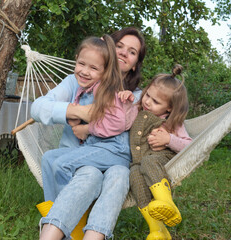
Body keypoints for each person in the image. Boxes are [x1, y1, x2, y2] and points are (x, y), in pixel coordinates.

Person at [31, 27, 146, 240]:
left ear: (135, 64)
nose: (122, 53)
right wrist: (75, 111)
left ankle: (73, 231)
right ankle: (61, 222)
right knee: (64, 164)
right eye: (118, 46)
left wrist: (88, 127)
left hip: (112, 158)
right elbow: (37, 108)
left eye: (131, 52)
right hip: (81, 160)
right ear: (108, 49)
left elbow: (138, 124)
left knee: (118, 175)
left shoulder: (135, 97)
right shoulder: (77, 82)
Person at [118, 64, 192, 239]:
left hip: (161, 159)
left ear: (169, 108)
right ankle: (157, 230)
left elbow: (189, 146)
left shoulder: (171, 122)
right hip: (139, 163)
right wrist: (127, 102)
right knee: (134, 175)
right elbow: (123, 121)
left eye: (156, 101)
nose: (147, 102)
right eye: (147, 95)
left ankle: (166, 202)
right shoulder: (137, 110)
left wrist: (169, 139)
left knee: (149, 161)